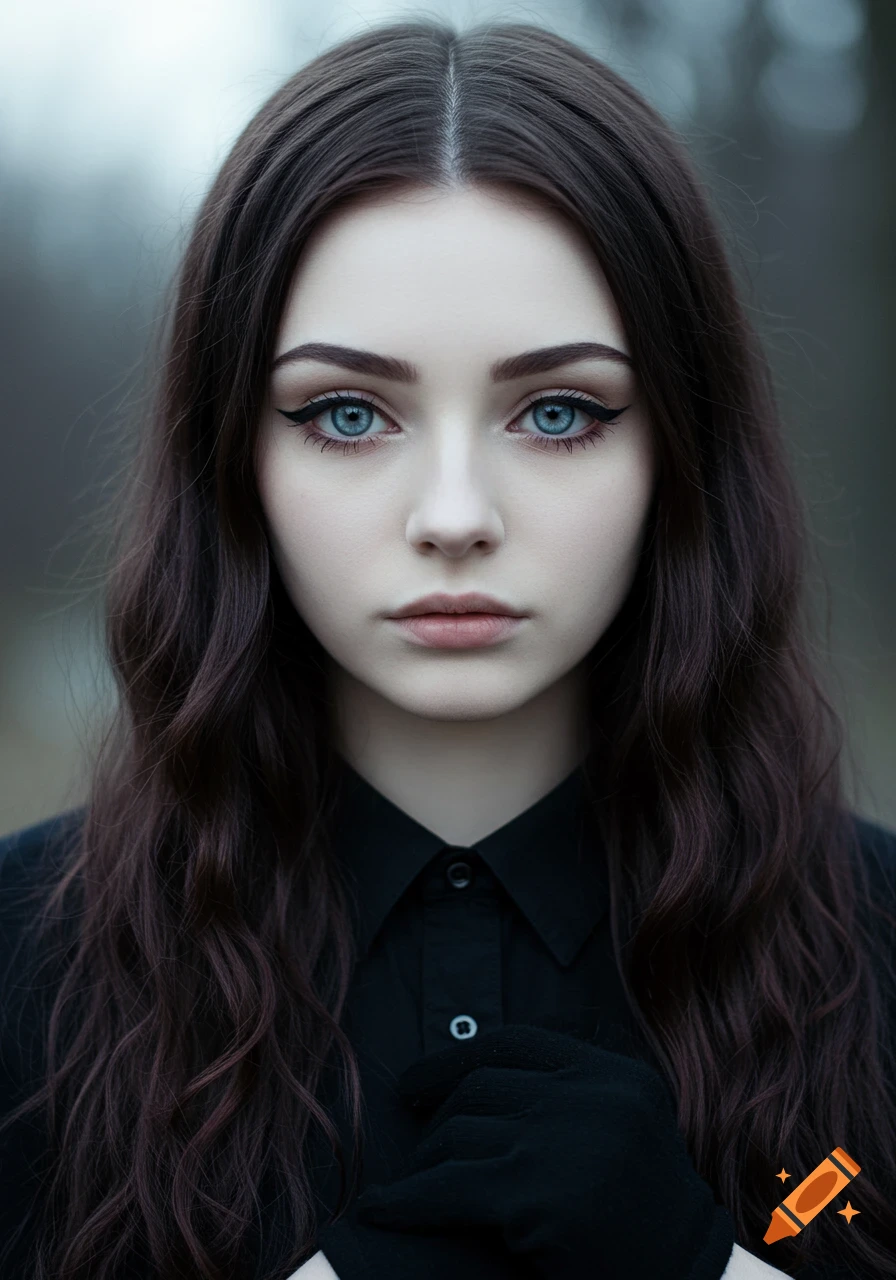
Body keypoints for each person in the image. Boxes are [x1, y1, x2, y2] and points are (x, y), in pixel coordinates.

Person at [1, 16, 894, 1280]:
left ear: (679, 454)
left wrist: (721, 1261)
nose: (456, 516)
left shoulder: (875, 948)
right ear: (233, 458)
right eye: (349, 413)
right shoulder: (20, 971)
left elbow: (847, 1225)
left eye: (558, 410)